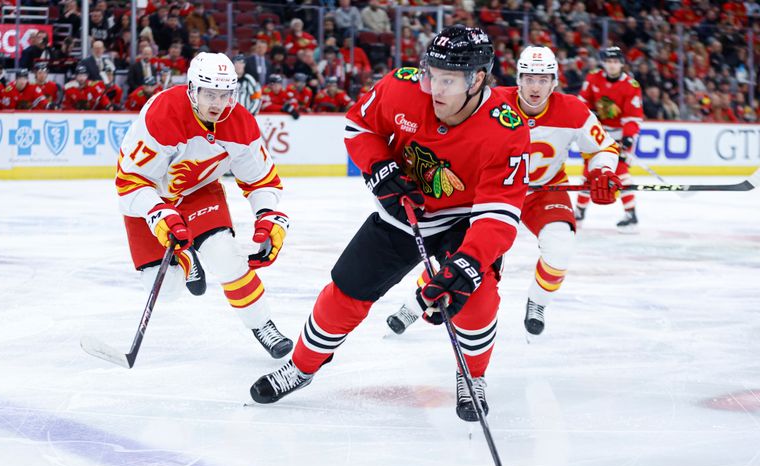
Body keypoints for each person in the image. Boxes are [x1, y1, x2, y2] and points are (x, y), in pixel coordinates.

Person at [249, 27, 531, 422]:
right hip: (402, 207)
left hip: (464, 218)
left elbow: (499, 213)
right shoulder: (401, 87)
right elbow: (359, 128)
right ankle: (301, 366)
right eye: (431, 73)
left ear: (478, 79)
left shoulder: (506, 129)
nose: (434, 87)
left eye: (448, 79)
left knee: (476, 299)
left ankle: (472, 376)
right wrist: (379, 169)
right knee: (345, 291)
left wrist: (469, 262)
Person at [385, 46, 622, 340]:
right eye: (529, 78)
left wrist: (602, 171)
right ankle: (414, 304)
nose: (535, 87)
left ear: (555, 81)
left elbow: (604, 148)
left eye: (543, 79)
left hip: (543, 191)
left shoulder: (573, 110)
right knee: (465, 253)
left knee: (561, 245)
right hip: (492, 190)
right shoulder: (492, 102)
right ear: (518, 79)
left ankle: (537, 302)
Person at [115, 52, 293, 358]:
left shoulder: (240, 123)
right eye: (209, 94)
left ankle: (263, 324)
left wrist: (268, 216)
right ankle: (185, 257)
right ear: (192, 89)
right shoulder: (163, 113)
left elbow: (262, 181)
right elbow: (129, 182)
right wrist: (158, 214)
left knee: (225, 255)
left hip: (199, 191)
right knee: (167, 289)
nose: (217, 104)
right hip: (150, 195)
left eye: (225, 95)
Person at [576, 46, 643, 232]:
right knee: (590, 171)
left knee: (621, 171)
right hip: (597, 134)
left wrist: (628, 139)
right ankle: (580, 211)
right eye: (609, 61)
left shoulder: (631, 86)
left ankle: (631, 213)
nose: (612, 65)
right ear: (603, 63)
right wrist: (589, 114)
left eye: (615, 62)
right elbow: (582, 103)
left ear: (621, 63)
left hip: (620, 135)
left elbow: (633, 118)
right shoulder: (593, 78)